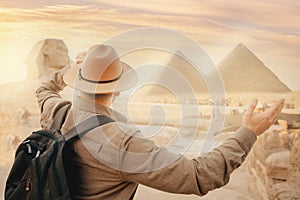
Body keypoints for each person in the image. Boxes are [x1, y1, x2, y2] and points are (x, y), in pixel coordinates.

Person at [36, 44, 285, 199]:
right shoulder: (122, 142)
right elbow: (198, 176)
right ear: (119, 89)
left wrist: (75, 68)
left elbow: (44, 88)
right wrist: (248, 132)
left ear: (77, 81)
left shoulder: (56, 110)